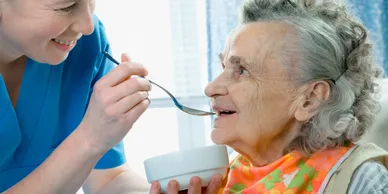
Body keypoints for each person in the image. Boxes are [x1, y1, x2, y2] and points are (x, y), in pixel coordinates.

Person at [150, 0, 388, 193]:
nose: (211, 88)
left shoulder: (361, 180)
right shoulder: (216, 178)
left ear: (309, 99)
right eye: (223, 67)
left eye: (242, 70)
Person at [0, 0, 221, 193]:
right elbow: (90, 144)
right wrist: (90, 139)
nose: (87, 26)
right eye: (66, 6)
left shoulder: (85, 45)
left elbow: (107, 180)